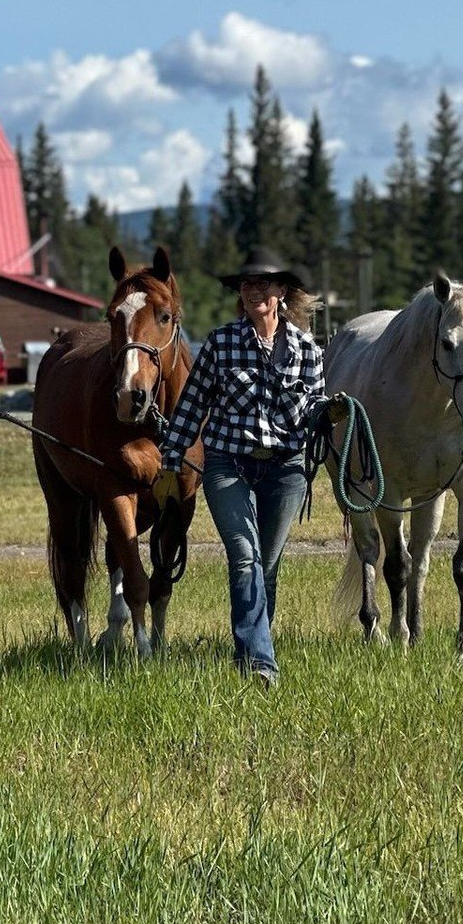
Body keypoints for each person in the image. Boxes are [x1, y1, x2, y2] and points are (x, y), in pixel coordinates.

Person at [151, 248, 335, 688]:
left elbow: (312, 407)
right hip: (227, 464)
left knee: (266, 564)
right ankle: (262, 665)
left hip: (286, 469)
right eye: (247, 285)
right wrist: (169, 463)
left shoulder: (308, 351)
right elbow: (192, 407)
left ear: (281, 293)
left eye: (264, 284)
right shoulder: (220, 343)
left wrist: (330, 412)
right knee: (245, 558)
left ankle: (250, 649)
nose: (254, 291)